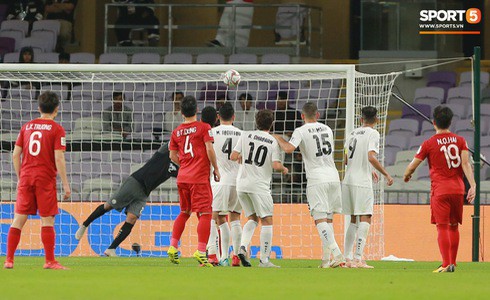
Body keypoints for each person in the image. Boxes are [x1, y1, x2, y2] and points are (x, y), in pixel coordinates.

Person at [403, 106, 476, 273]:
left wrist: (407, 175)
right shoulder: (460, 140)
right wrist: (473, 185)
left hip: (440, 190)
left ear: (433, 122)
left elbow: (413, 165)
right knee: (454, 226)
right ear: (451, 122)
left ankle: (445, 264)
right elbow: (465, 164)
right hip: (458, 189)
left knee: (442, 227)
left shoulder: (428, 143)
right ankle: (453, 263)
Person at [4, 91, 71, 270]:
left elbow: (16, 154)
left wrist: (20, 177)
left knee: (18, 219)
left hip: (26, 176)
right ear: (56, 110)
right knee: (47, 220)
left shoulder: (26, 127)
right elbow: (59, 158)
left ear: (38, 108)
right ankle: (49, 261)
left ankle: (9, 260)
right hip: (45, 178)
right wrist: (65, 184)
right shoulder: (57, 129)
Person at [274, 102, 345, 268]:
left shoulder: (301, 130)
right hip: (334, 176)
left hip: (316, 178)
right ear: (318, 115)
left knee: (319, 220)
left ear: (302, 116)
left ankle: (337, 254)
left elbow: (289, 148)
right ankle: (326, 261)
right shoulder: (327, 129)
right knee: (328, 220)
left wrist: (278, 137)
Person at [74, 142, 178, 256]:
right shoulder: (165, 151)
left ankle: (111, 249)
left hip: (144, 193)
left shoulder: (180, 165)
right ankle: (84, 225)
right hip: (135, 182)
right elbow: (173, 139)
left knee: (132, 218)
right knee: (108, 206)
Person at [230, 109, 288, 268]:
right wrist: (283, 169)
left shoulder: (245, 135)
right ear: (272, 124)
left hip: (241, 185)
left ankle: (242, 248)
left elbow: (233, 156)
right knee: (267, 220)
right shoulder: (272, 141)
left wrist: (242, 156)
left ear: (256, 122)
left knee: (252, 219)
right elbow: (275, 165)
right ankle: (264, 260)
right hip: (259, 186)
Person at [167, 95, 221, 267]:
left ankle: (173, 247)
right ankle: (201, 250)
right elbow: (210, 149)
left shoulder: (176, 132)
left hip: (182, 178)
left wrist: (185, 163)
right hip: (199, 178)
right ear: (197, 110)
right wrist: (216, 169)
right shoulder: (204, 127)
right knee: (205, 213)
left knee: (184, 212)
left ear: (182, 113)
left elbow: (172, 156)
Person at [342, 106, 393, 269]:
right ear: (377, 119)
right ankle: (358, 259)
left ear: (361, 119)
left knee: (352, 219)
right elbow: (371, 156)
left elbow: (345, 160)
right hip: (361, 182)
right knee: (366, 217)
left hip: (348, 179)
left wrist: (370, 170)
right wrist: (385, 173)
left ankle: (347, 257)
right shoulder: (373, 133)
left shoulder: (352, 133)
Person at [206, 102, 243, 267]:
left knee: (214, 218)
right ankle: (235, 256)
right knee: (234, 218)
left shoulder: (211, 132)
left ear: (218, 117)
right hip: (238, 181)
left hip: (219, 180)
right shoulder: (242, 134)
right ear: (234, 117)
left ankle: (214, 255)